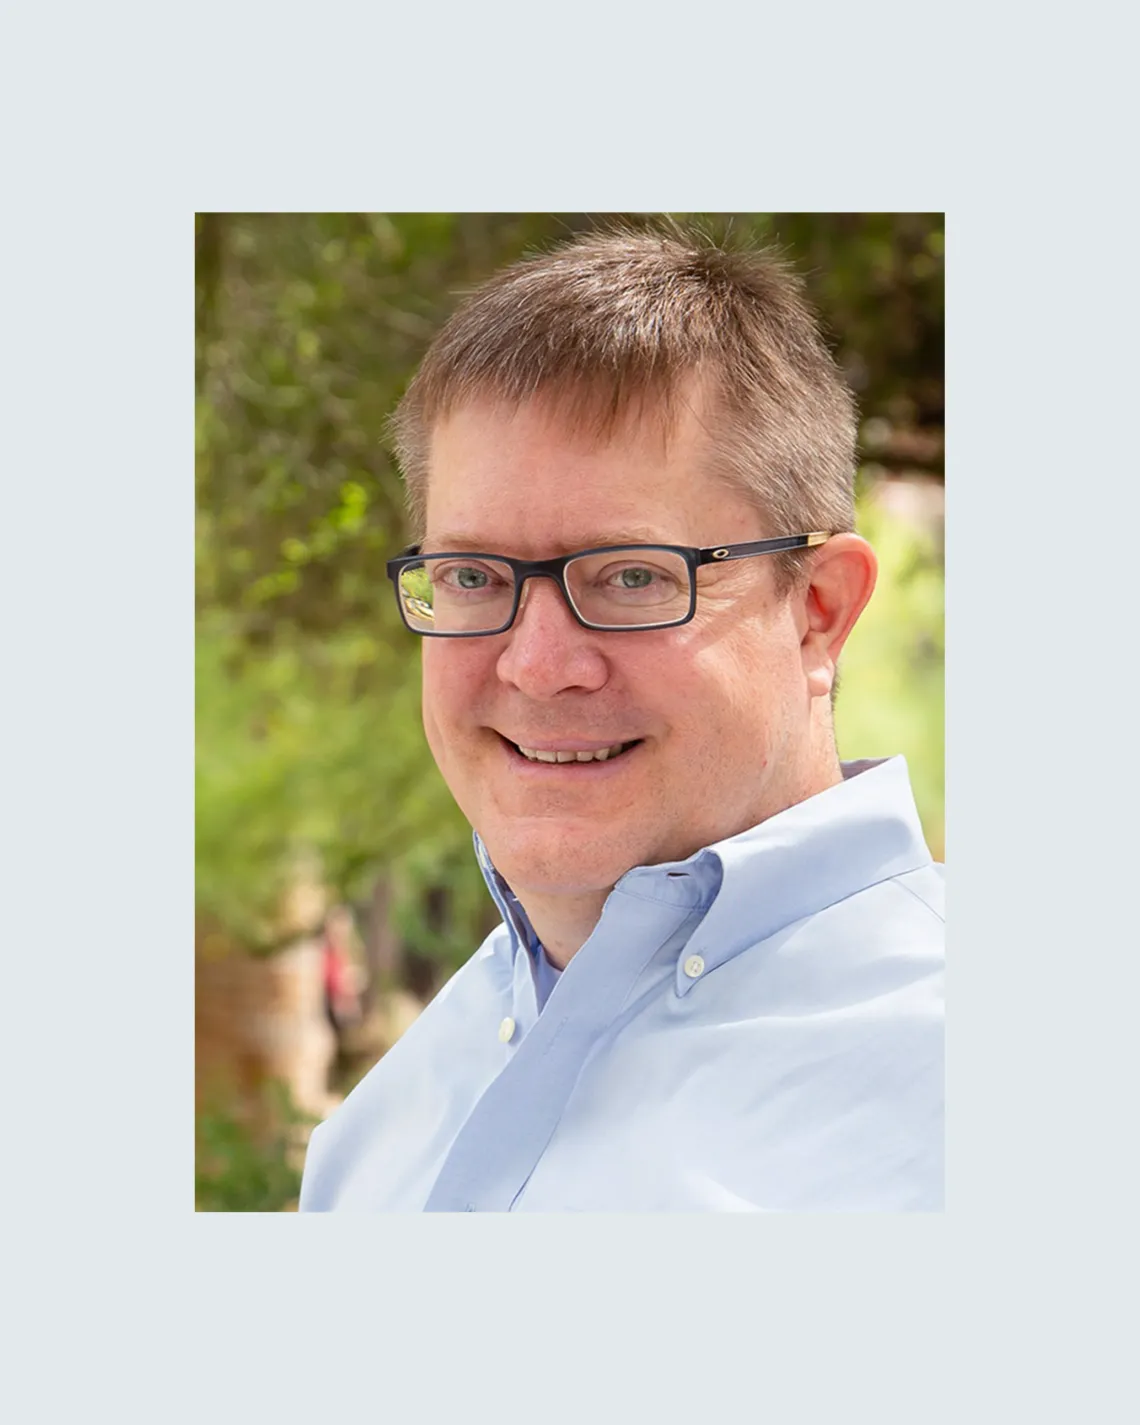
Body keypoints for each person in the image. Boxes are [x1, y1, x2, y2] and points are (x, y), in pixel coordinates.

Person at [299, 224, 944, 1212]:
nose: (538, 664)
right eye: (472, 577)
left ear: (818, 612)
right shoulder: (372, 1139)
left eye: (633, 576)